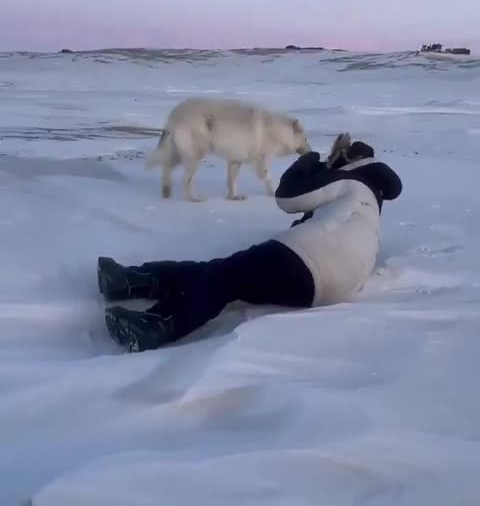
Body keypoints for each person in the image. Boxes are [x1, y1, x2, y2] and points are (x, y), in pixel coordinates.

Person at [99, 133, 402, 352]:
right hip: (329, 289)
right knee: (228, 275)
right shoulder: (370, 207)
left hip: (310, 256)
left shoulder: (350, 181)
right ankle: (132, 281)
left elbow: (288, 197)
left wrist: (304, 166)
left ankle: (156, 324)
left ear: (348, 162)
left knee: (223, 275)